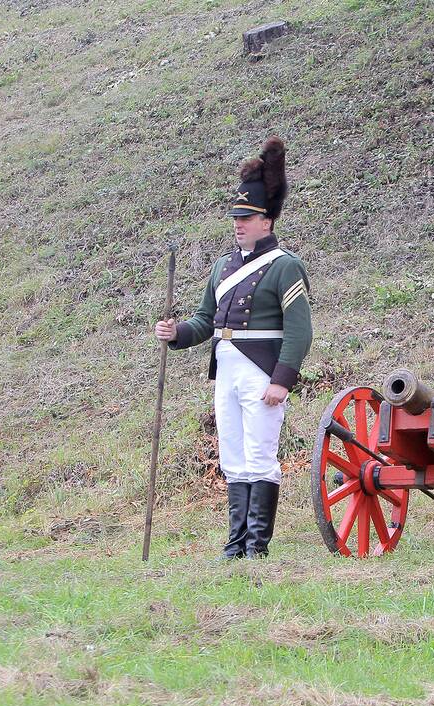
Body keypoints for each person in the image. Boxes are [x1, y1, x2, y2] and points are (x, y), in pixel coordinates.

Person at [153, 136, 313, 559]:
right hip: (225, 371)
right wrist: (178, 333)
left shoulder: (285, 266)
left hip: (261, 370)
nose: (238, 223)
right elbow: (207, 320)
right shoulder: (222, 266)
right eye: (236, 216)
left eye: (247, 216)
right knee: (233, 458)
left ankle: (257, 546)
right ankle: (235, 543)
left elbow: (300, 331)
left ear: (268, 221)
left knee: (260, 456)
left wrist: (283, 379)